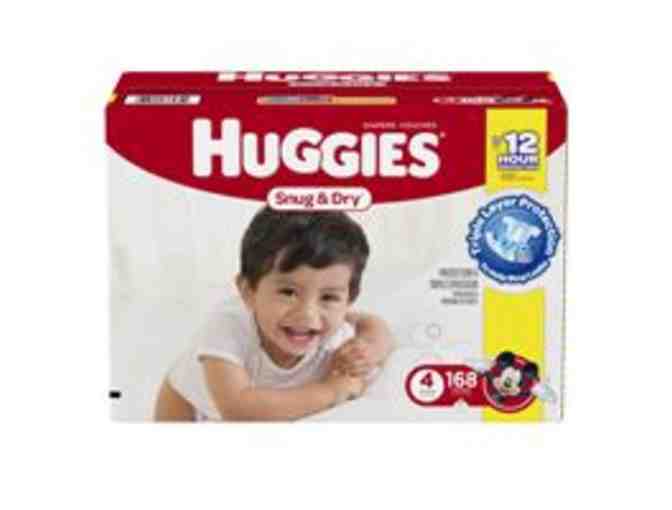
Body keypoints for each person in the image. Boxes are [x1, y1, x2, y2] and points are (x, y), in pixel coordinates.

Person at [154, 206, 394, 421]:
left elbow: (370, 322)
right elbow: (239, 410)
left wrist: (369, 348)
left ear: (349, 300)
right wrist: (330, 391)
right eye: (288, 292)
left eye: (329, 297)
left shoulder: (336, 332)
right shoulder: (227, 326)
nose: (307, 315)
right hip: (191, 406)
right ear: (248, 291)